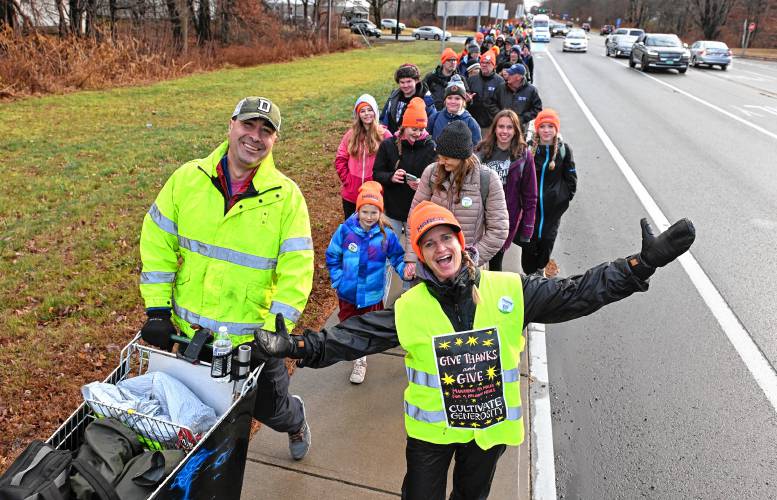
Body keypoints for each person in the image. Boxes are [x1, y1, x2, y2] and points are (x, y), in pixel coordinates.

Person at [252, 203, 696, 499]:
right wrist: (296, 346)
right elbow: (352, 337)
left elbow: (576, 294)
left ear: (460, 244)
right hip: (432, 437)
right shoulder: (410, 307)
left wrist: (638, 267)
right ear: (422, 256)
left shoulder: (509, 290)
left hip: (487, 436)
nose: (440, 248)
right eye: (429, 243)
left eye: (446, 238)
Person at [138, 96, 313, 460]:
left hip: (252, 341)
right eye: (248, 125)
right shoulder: (188, 179)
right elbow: (158, 242)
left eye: (266, 131)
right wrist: (157, 310)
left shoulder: (287, 198)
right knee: (190, 418)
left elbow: (297, 270)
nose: (255, 136)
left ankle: (294, 418)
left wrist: (272, 332)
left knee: (271, 410)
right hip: (190, 336)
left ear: (275, 140)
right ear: (231, 124)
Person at [325, 181, 405, 384]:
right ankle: (352, 348)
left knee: (367, 327)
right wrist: (338, 280)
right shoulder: (345, 231)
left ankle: (360, 361)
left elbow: (397, 258)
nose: (369, 217)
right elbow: (333, 256)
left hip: (372, 294)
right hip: (348, 293)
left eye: (374, 212)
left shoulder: (386, 236)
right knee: (347, 324)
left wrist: (407, 272)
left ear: (380, 212)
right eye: (365, 212)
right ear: (358, 210)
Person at [408, 120, 507, 271]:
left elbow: (498, 230)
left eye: (446, 158)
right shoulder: (431, 173)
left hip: (469, 268)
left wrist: (468, 259)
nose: (441, 162)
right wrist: (412, 258)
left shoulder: (487, 179)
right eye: (440, 156)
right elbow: (414, 218)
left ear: (462, 157)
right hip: (433, 265)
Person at [373, 97, 437, 292]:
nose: (417, 134)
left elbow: (437, 177)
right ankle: (382, 293)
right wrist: (391, 177)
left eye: (420, 129)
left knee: (415, 255)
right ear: (404, 125)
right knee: (388, 253)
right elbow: (377, 173)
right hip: (393, 210)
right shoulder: (389, 145)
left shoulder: (430, 146)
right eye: (413, 129)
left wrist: (423, 184)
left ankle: (409, 292)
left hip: (417, 212)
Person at [475, 109, 537, 272]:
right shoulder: (481, 151)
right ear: (494, 128)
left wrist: (527, 228)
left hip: (505, 218)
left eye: (509, 127)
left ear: (516, 130)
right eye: (501, 126)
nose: (504, 131)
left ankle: (493, 294)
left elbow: (530, 196)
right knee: (474, 260)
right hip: (478, 216)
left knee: (496, 262)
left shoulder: (524, 156)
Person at [521, 108, 576, 276]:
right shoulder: (528, 150)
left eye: (550, 126)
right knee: (529, 245)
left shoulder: (563, 150)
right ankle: (529, 279)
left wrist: (562, 198)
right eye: (543, 126)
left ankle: (541, 274)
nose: (546, 130)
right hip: (530, 210)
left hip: (552, 211)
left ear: (556, 129)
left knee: (546, 242)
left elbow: (571, 178)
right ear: (537, 129)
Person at [335, 94, 392, 219]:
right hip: (352, 194)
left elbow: (393, 161)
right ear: (358, 115)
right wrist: (347, 180)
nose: (367, 114)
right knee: (352, 228)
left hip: (375, 193)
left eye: (370, 110)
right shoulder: (350, 135)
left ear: (375, 112)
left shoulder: (385, 135)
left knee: (374, 228)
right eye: (362, 111)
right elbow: (340, 159)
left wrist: (383, 184)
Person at [380, 63, 436, 134]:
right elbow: (384, 118)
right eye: (402, 82)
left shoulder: (426, 100)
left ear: (416, 80)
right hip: (392, 139)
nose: (405, 85)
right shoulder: (393, 97)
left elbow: (432, 122)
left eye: (409, 81)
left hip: (415, 140)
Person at [427, 76, 481, 145]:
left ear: (463, 101)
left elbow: (477, 148)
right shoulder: (435, 117)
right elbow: (427, 140)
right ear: (445, 100)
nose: (453, 102)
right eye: (449, 98)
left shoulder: (470, 122)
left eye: (457, 98)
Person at [495, 63, 542, 131]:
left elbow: (537, 109)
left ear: (519, 77)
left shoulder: (531, 91)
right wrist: (501, 116)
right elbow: (491, 103)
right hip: (503, 127)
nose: (508, 75)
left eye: (511, 74)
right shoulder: (501, 88)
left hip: (521, 129)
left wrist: (521, 119)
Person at [466, 51, 504, 132]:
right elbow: (465, 101)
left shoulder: (500, 82)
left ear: (493, 65)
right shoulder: (472, 79)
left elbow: (503, 104)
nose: (484, 65)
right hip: (472, 123)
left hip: (490, 125)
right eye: (482, 62)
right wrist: (467, 101)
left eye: (487, 63)